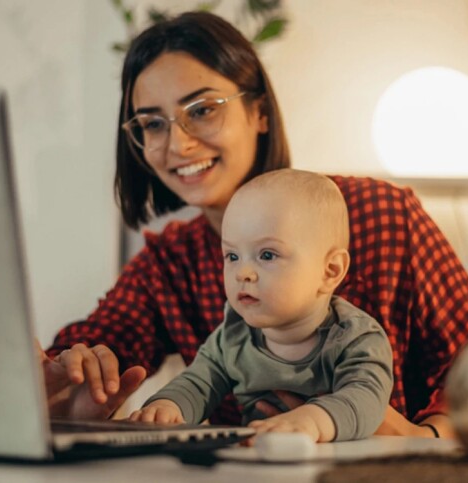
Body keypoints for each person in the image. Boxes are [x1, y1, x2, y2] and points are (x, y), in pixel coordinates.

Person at [40, 11, 468, 439]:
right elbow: (98, 348)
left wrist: (424, 437)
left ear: (259, 112)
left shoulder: (381, 214)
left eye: (202, 110)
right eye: (153, 124)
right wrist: (70, 385)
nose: (177, 144)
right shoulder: (170, 262)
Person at [127, 169, 394, 443]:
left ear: (330, 271)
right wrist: (167, 407)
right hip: (260, 459)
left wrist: (312, 421)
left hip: (340, 464)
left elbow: (366, 398)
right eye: (232, 256)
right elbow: (198, 384)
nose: (242, 273)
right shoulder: (233, 335)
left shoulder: (356, 337)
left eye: (267, 255)